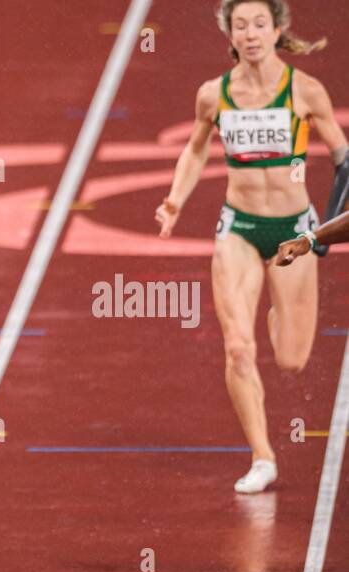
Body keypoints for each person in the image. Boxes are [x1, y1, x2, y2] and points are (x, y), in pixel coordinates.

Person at [155, 0, 347, 493]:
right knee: (238, 348)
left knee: (291, 359)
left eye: (260, 24)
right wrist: (175, 201)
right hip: (238, 229)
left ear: (278, 29)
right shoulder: (214, 95)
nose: (251, 33)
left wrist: (327, 221)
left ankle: (277, 309)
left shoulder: (305, 91)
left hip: (292, 233)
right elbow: (196, 148)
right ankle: (262, 455)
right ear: (230, 33)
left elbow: (343, 158)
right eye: (240, 25)